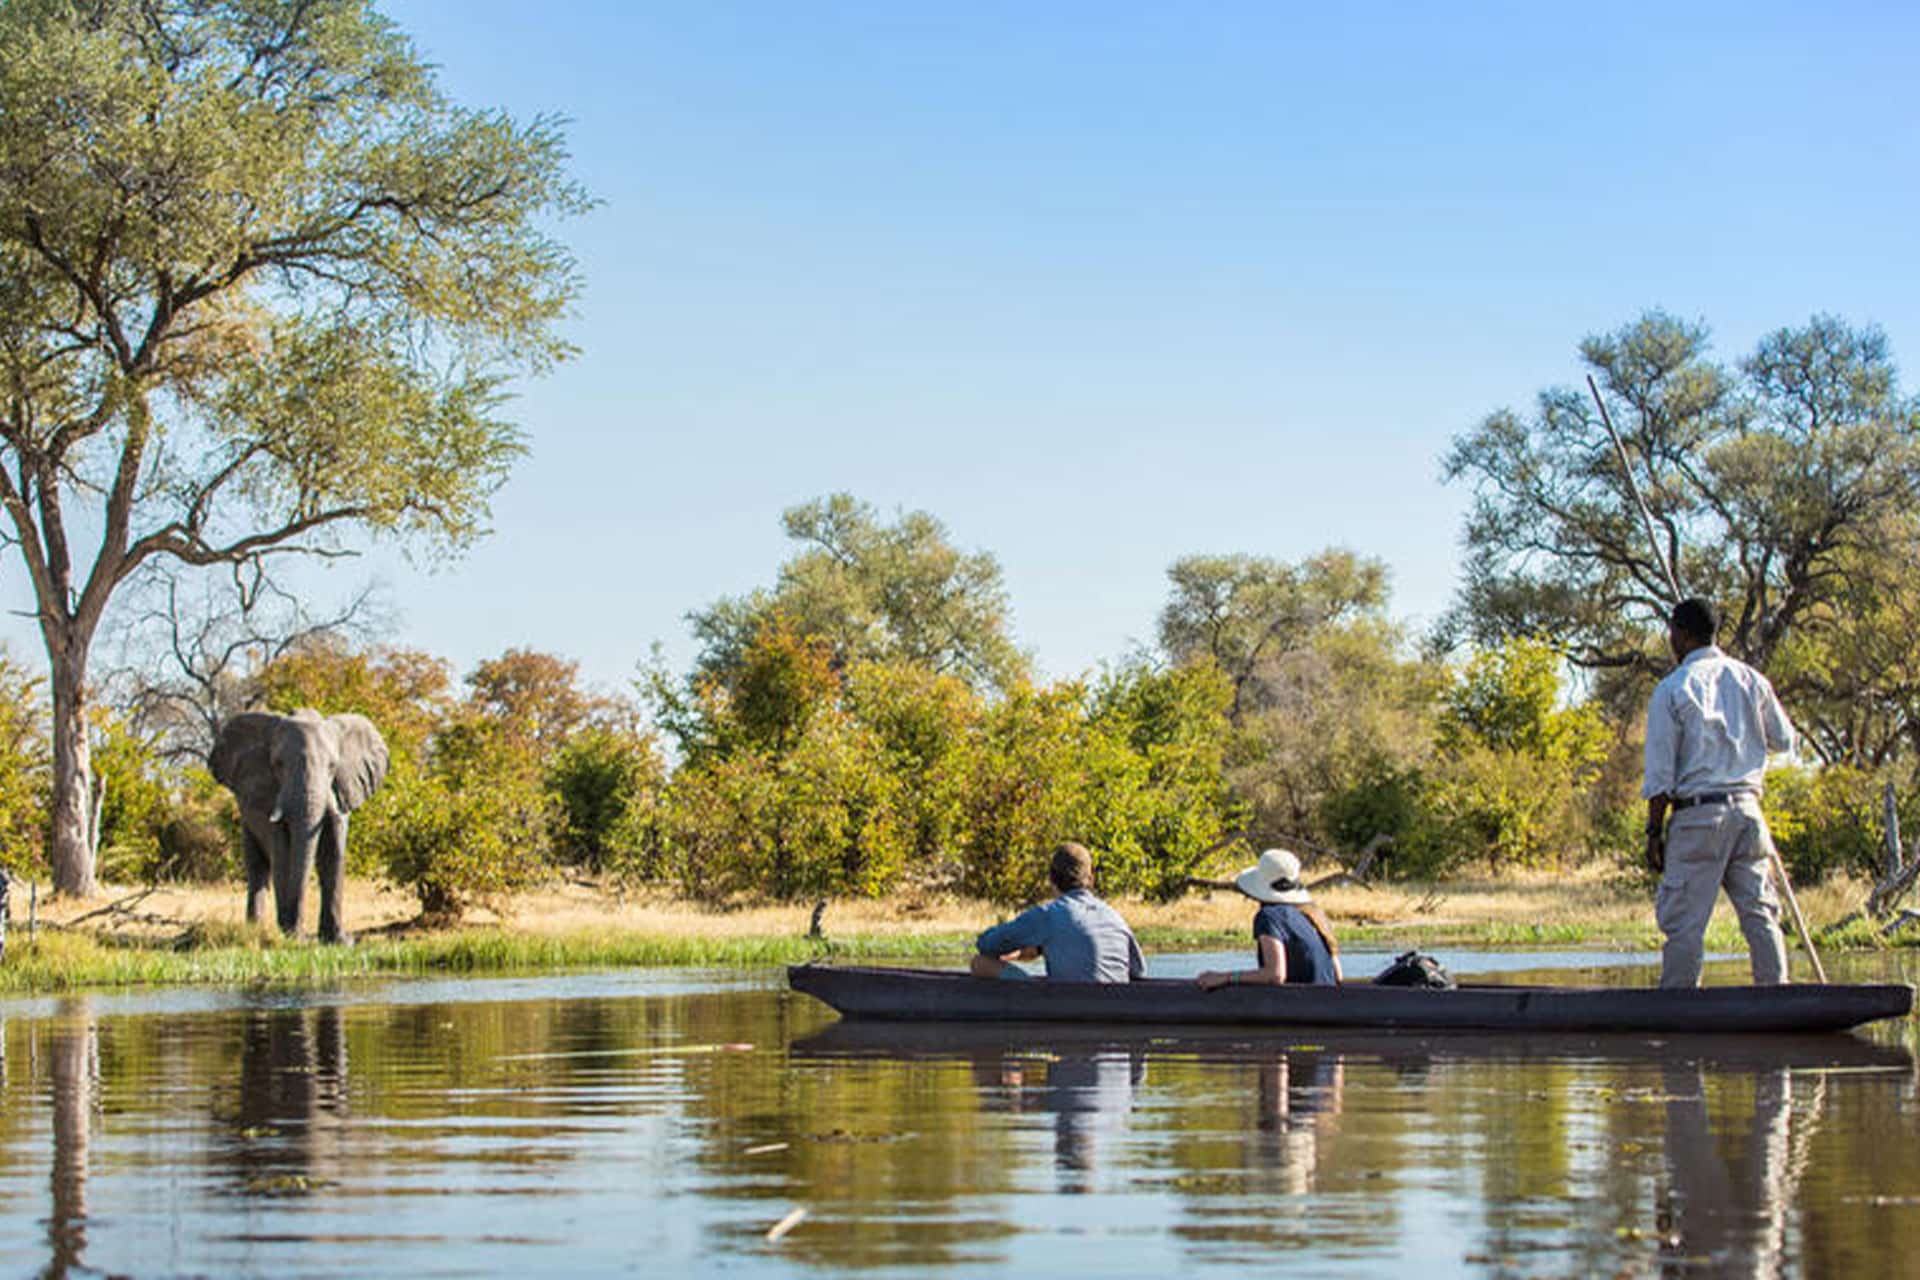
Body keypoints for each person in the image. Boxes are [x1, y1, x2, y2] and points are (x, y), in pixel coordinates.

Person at [1643, 596, 1795, 988]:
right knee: (1761, 914)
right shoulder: (1752, 680)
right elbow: (1783, 739)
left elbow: (1660, 773)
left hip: (1698, 818)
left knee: (1684, 925)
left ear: (1682, 633)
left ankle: (1676, 1008)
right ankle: (1775, 998)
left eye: (1672, 632)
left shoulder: (1673, 688)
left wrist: (1653, 832)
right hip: (1748, 814)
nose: (1670, 638)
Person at [971, 842, 1145, 982]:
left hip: (1066, 1010)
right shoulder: (1114, 916)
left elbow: (986, 945)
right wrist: (1039, 948)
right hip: (1116, 1010)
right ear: (1091, 879)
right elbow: (1138, 971)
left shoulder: (1048, 915)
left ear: (1051, 879)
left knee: (980, 963)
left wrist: (1026, 945)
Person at [1196, 847, 1342, 989]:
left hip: (1301, 1008)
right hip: (1325, 1006)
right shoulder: (1313, 914)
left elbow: (1275, 974)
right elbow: (1338, 976)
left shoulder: (1268, 916)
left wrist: (1225, 978)